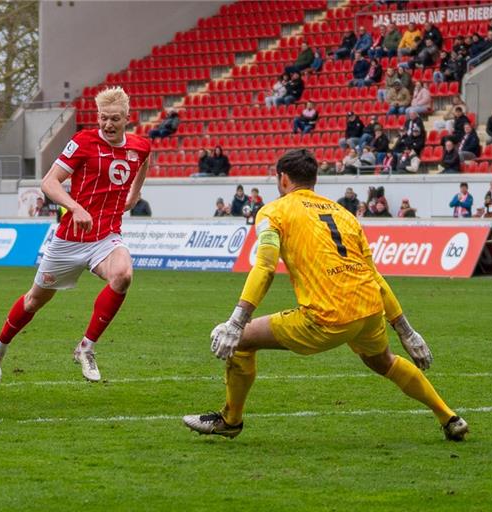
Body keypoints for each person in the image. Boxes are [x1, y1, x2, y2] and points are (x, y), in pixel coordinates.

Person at [182, 149, 467, 441]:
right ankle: (449, 417)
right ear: (314, 179)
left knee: (241, 341)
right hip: (368, 309)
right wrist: (406, 330)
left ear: (282, 178)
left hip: (326, 316)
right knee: (383, 361)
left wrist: (236, 321)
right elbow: (374, 276)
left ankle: (230, 421)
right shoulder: (345, 215)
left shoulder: (273, 212)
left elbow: (265, 266)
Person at [0, 87, 150, 382]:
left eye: (114, 119)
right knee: (34, 301)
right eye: (103, 118)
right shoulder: (84, 142)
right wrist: (76, 208)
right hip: (69, 241)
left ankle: (86, 348)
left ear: (127, 118)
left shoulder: (139, 146)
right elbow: (49, 182)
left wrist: (135, 195)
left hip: (106, 237)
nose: (108, 125)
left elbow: (144, 160)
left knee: (123, 274)